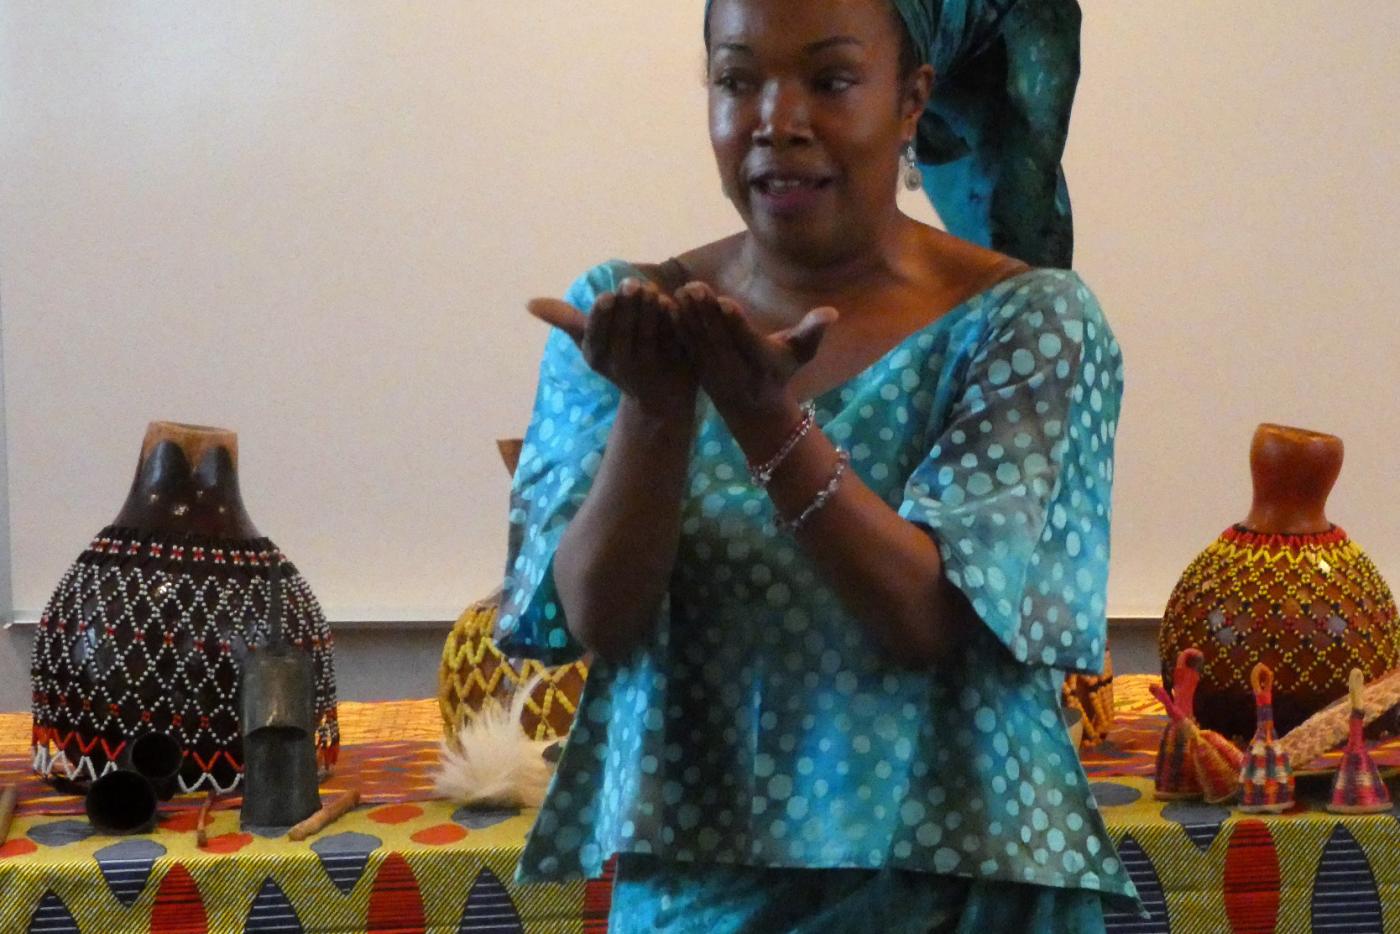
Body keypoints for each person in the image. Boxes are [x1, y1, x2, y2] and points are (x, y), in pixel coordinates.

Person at [495, 0, 1137, 929]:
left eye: (830, 80)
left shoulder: (1029, 322)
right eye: (737, 79)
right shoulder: (624, 318)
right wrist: (657, 407)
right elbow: (602, 618)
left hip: (961, 899)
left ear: (913, 100)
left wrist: (766, 419)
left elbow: (926, 621)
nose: (776, 121)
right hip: (697, 899)